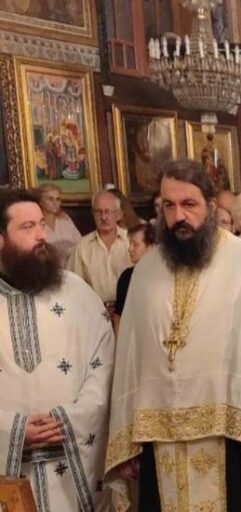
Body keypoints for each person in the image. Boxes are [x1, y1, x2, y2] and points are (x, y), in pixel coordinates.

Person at [105, 160, 241, 511]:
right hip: (158, 434)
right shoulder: (145, 270)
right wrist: (125, 436)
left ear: (210, 206)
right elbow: (129, 355)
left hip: (229, 434)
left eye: (189, 204)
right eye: (169, 205)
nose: (178, 216)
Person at [0, 188, 114, 512]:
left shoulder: (76, 293)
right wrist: (12, 431)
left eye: (41, 224)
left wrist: (69, 419)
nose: (41, 235)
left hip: (72, 465)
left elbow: (104, 365)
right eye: (27, 227)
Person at [66, 190, 132, 308]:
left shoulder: (130, 241)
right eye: (98, 212)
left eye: (108, 212)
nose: (103, 217)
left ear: (118, 214)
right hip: (96, 310)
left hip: (129, 309)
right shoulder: (82, 247)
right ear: (92, 214)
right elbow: (72, 285)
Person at [112, 223, 156, 334]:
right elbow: (118, 316)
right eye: (130, 243)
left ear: (150, 247)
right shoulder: (126, 276)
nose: (130, 249)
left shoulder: (161, 277)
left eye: (135, 244)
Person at [35, 183, 81, 263]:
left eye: (58, 199)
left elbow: (80, 244)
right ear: (40, 201)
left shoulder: (65, 220)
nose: (55, 203)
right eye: (50, 199)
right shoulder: (36, 223)